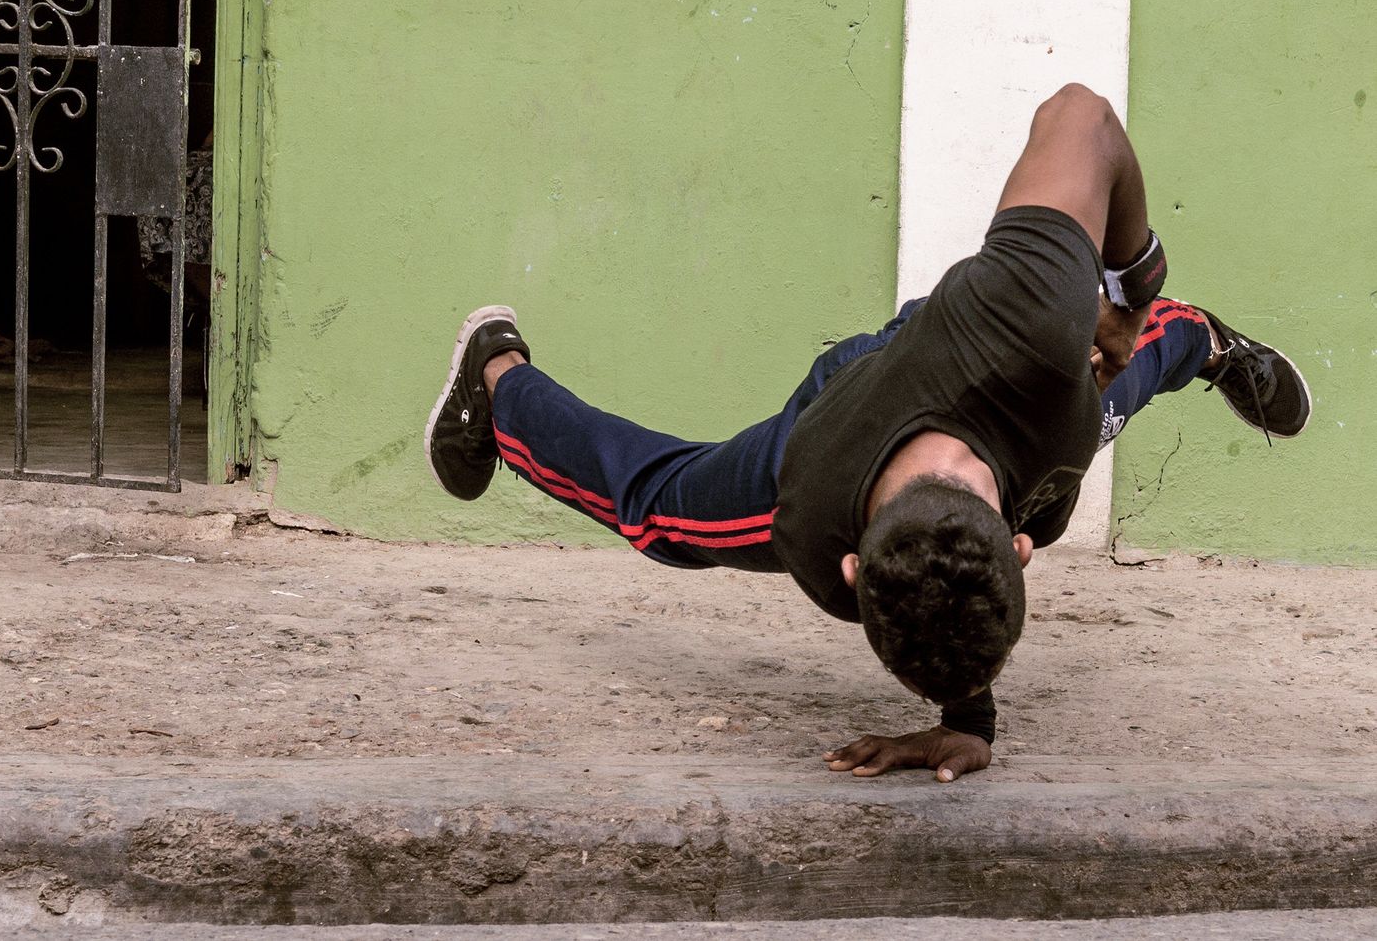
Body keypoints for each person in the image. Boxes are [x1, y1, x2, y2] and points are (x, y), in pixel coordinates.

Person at [423, 84, 1312, 783]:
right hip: (853, 405)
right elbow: (1077, 114)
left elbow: (1083, 117)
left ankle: (1196, 334)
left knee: (1116, 363)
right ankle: (495, 380)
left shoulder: (1036, 323)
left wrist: (1131, 292)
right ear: (1021, 548)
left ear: (853, 571)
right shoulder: (809, 508)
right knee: (662, 514)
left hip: (1002, 359)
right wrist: (970, 721)